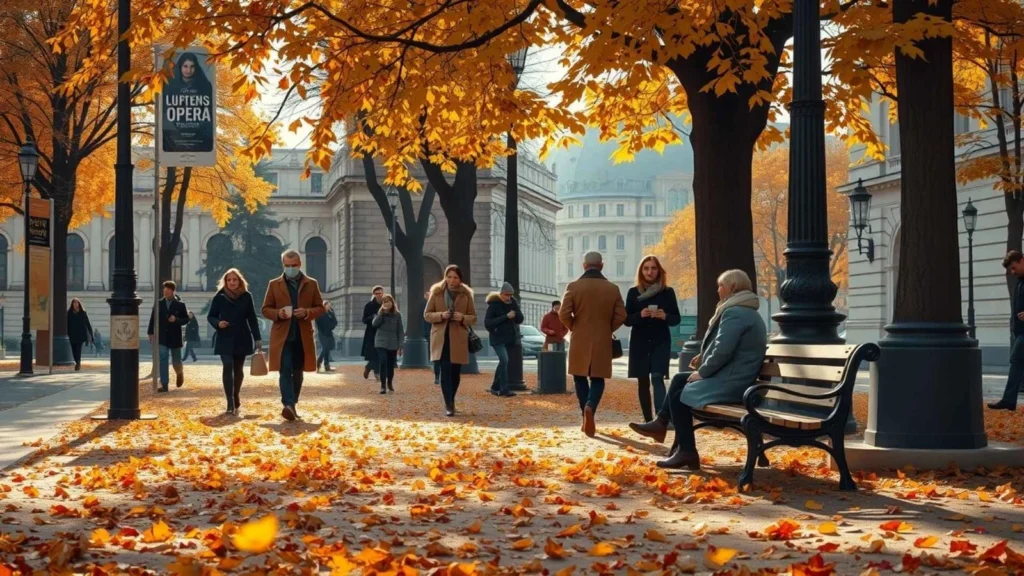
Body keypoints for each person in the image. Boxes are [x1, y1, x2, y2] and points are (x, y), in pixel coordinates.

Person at [629, 269, 767, 470]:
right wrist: (703, 358)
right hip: (738, 377)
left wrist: (702, 372)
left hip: (734, 382)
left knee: (679, 396)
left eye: (720, 286)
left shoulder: (734, 312)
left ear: (731, 288)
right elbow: (729, 346)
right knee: (678, 380)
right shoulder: (745, 310)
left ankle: (687, 452)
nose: (718, 290)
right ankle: (661, 423)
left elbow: (723, 351)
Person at [559, 251, 627, 437]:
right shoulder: (612, 288)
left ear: (584, 266)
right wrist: (607, 328)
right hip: (603, 338)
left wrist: (574, 327)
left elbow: (563, 314)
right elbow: (622, 315)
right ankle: (591, 407)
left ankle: (584, 415)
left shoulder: (573, 286)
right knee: (598, 378)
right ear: (602, 265)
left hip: (579, 337)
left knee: (579, 377)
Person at [262, 250, 325, 421]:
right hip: (282, 337)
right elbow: (265, 309)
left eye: (294, 265)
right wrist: (278, 314)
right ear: (283, 265)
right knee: (285, 370)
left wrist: (306, 312)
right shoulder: (274, 284)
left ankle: (293, 404)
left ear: (300, 264)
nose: (291, 268)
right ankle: (287, 404)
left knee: (298, 372)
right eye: (287, 265)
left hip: (302, 336)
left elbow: (320, 308)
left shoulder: (311, 284)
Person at [624, 255, 682, 423]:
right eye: (646, 268)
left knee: (657, 377)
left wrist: (665, 316)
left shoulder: (667, 292)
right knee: (642, 380)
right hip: (639, 342)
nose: (650, 272)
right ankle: (648, 419)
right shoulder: (633, 292)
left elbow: (676, 318)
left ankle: (661, 418)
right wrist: (639, 315)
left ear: (659, 271)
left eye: (653, 268)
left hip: (660, 341)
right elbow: (627, 320)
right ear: (641, 271)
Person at [208, 268, 262, 415]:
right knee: (228, 365)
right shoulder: (219, 296)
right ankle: (230, 402)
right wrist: (218, 323)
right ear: (225, 282)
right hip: (224, 336)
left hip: (242, 336)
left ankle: (236, 393)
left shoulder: (246, 296)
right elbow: (211, 316)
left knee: (238, 370)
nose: (231, 282)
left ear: (239, 281)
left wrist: (257, 337)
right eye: (229, 280)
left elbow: (252, 318)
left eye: (234, 280)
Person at [424, 265, 477, 417]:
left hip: (458, 338)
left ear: (460, 279)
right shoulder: (437, 292)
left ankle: (451, 399)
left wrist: (462, 318)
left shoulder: (466, 295)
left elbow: (473, 317)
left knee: (455, 372)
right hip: (441, 338)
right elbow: (427, 315)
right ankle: (448, 404)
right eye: (449, 277)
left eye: (455, 277)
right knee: (445, 371)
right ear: (445, 277)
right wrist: (441, 315)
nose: (452, 280)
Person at [991, 250, 1024, 411]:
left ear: (1022, 260)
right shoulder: (1020, 282)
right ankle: (1009, 400)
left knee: (1016, 361)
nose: (1013, 271)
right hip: (1020, 332)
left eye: (1014, 267)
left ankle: (1009, 399)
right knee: (1017, 361)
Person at [162, 52, 215, 153]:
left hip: (199, 133)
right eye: (185, 66)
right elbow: (165, 111)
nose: (188, 70)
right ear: (180, 67)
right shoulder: (170, 85)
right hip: (173, 133)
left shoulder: (205, 85)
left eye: (192, 67)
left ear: (196, 67)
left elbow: (209, 112)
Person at [147, 281, 189, 392]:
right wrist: (150, 332)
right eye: (164, 289)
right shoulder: (158, 303)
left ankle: (179, 373)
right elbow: (153, 318)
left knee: (176, 360)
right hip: (162, 336)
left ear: (173, 290)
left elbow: (186, 319)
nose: (165, 291)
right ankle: (164, 384)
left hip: (175, 336)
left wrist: (176, 320)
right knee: (163, 358)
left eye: (167, 289)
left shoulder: (180, 304)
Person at [485, 282, 523, 398]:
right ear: (500, 294)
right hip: (497, 338)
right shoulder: (493, 305)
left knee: (503, 362)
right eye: (506, 295)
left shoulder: (513, 303)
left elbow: (520, 319)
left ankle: (494, 387)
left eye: (510, 295)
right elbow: (488, 323)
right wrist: (506, 316)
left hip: (510, 339)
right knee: (504, 360)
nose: (508, 297)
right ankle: (504, 388)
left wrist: (516, 311)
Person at [372, 294, 405, 394]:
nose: (387, 303)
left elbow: (400, 330)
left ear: (392, 303)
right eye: (384, 302)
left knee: (390, 364)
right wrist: (381, 313)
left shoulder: (397, 315)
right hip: (380, 342)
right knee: (383, 361)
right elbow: (374, 324)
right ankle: (383, 385)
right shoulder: (380, 313)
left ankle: (389, 382)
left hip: (393, 342)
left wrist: (401, 345)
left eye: (388, 301)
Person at [362, 286, 384, 381]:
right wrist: (372, 317)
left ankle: (371, 369)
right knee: (375, 354)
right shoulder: (369, 305)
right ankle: (374, 371)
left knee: (381, 354)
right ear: (374, 294)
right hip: (371, 334)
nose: (379, 295)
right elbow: (364, 320)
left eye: (380, 293)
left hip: (383, 332)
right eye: (377, 293)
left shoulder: (386, 304)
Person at [67, 298, 94, 371]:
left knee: (78, 349)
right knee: (73, 350)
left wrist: (91, 334)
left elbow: (88, 324)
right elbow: (67, 324)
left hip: (81, 334)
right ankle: (76, 361)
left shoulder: (83, 313)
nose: (75, 304)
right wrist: (67, 333)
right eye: (74, 303)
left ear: (79, 304)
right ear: (72, 304)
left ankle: (78, 363)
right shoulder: (69, 313)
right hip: (72, 334)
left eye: (76, 303)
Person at [421, 290, 441, 385]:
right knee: (436, 354)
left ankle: (438, 375)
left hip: (437, 331)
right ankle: (437, 375)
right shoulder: (426, 305)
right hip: (432, 331)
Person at [316, 301, 338, 373]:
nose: (329, 307)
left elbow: (335, 322)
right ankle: (320, 363)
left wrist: (332, 313)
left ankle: (325, 365)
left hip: (328, 333)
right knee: (325, 348)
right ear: (324, 306)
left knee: (327, 349)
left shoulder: (330, 313)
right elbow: (318, 323)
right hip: (322, 333)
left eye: (329, 306)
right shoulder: (320, 313)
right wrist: (324, 329)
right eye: (328, 306)